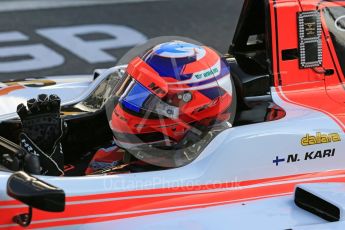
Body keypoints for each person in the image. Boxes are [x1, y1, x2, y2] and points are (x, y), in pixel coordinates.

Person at [16, 41, 235, 176]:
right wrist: (50, 152)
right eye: (132, 89)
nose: (126, 102)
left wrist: (47, 173)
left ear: (194, 107)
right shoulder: (115, 153)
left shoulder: (211, 168)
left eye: (148, 99)